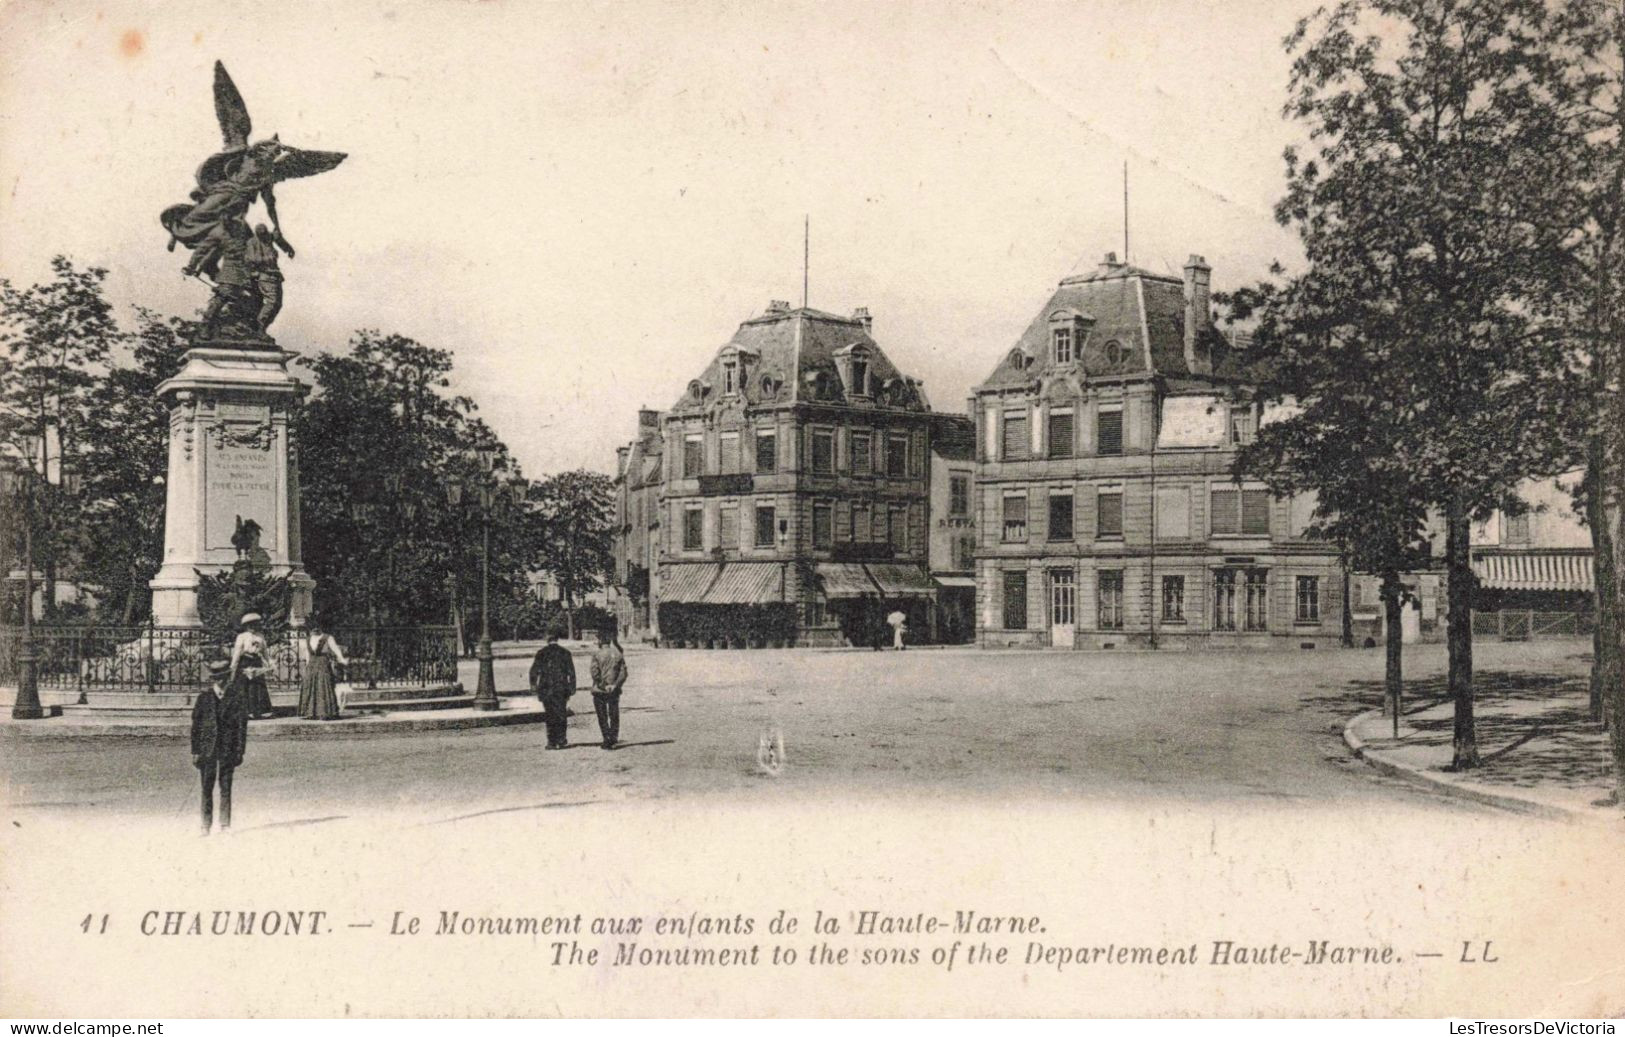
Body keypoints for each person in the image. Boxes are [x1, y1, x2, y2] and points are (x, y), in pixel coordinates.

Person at [191, 658, 246, 836]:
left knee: (226, 786)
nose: (220, 682)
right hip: (207, 748)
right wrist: (195, 751)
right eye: (216, 678)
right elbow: (196, 727)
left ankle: (225, 824)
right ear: (212, 679)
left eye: (223, 678)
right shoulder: (204, 698)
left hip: (227, 748)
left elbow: (241, 727)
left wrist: (239, 751)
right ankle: (205, 825)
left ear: (228, 678)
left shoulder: (236, 698)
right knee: (206, 787)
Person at [529, 624, 576, 749]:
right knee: (561, 714)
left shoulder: (541, 653)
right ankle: (561, 740)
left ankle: (551, 741)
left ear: (547, 638)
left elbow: (534, 671)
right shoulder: (565, 653)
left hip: (546, 688)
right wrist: (572, 688)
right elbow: (571, 672)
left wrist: (533, 685)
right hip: (561, 688)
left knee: (549, 715)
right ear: (558, 638)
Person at [297, 619, 347, 721]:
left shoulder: (328, 638)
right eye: (312, 627)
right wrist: (306, 667)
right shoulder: (307, 639)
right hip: (312, 665)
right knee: (310, 687)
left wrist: (341, 659)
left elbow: (335, 649)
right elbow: (307, 655)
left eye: (317, 626)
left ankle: (325, 712)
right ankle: (310, 712)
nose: (315, 629)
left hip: (323, 664)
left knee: (323, 686)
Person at [589, 625, 628, 750]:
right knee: (614, 714)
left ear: (600, 640)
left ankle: (606, 738)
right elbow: (623, 673)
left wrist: (602, 685)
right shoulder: (618, 654)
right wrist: (615, 685)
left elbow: (594, 672)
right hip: (614, 689)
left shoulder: (597, 654)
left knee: (602, 715)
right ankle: (614, 737)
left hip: (600, 690)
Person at [230, 612, 275, 719]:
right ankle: (245, 712)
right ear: (246, 626)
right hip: (245, 662)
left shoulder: (260, 636)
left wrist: (269, 664)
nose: (252, 627)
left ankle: (257, 711)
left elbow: (265, 652)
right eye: (250, 625)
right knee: (244, 686)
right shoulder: (242, 637)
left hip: (256, 662)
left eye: (254, 624)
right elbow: (237, 652)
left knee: (257, 687)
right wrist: (233, 665)